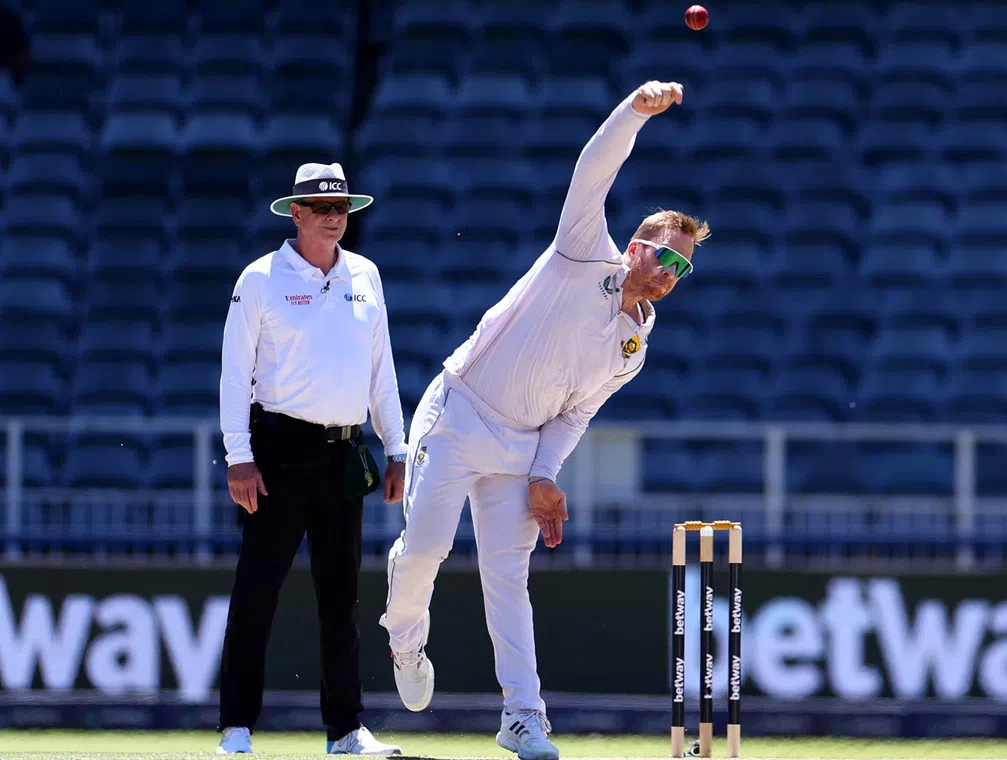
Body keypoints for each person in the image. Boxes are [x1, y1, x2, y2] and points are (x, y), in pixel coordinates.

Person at [379, 81, 709, 760]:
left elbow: (575, 413)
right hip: (458, 413)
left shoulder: (634, 347)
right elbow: (594, 169)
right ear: (635, 249)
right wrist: (634, 114)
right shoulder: (582, 253)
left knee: (508, 578)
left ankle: (523, 717)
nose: (672, 271)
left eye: (684, 265)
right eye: (665, 255)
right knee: (425, 552)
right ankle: (404, 636)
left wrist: (542, 475)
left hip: (521, 447)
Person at [216, 162, 408, 755]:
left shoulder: (366, 275)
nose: (333, 216)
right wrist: (238, 455)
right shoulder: (260, 278)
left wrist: (396, 446)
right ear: (294, 214)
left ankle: (346, 729)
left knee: (340, 596)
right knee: (258, 591)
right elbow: (232, 372)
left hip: (343, 452)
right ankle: (238, 727)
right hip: (277, 450)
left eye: (341, 206)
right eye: (321, 207)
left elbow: (382, 370)